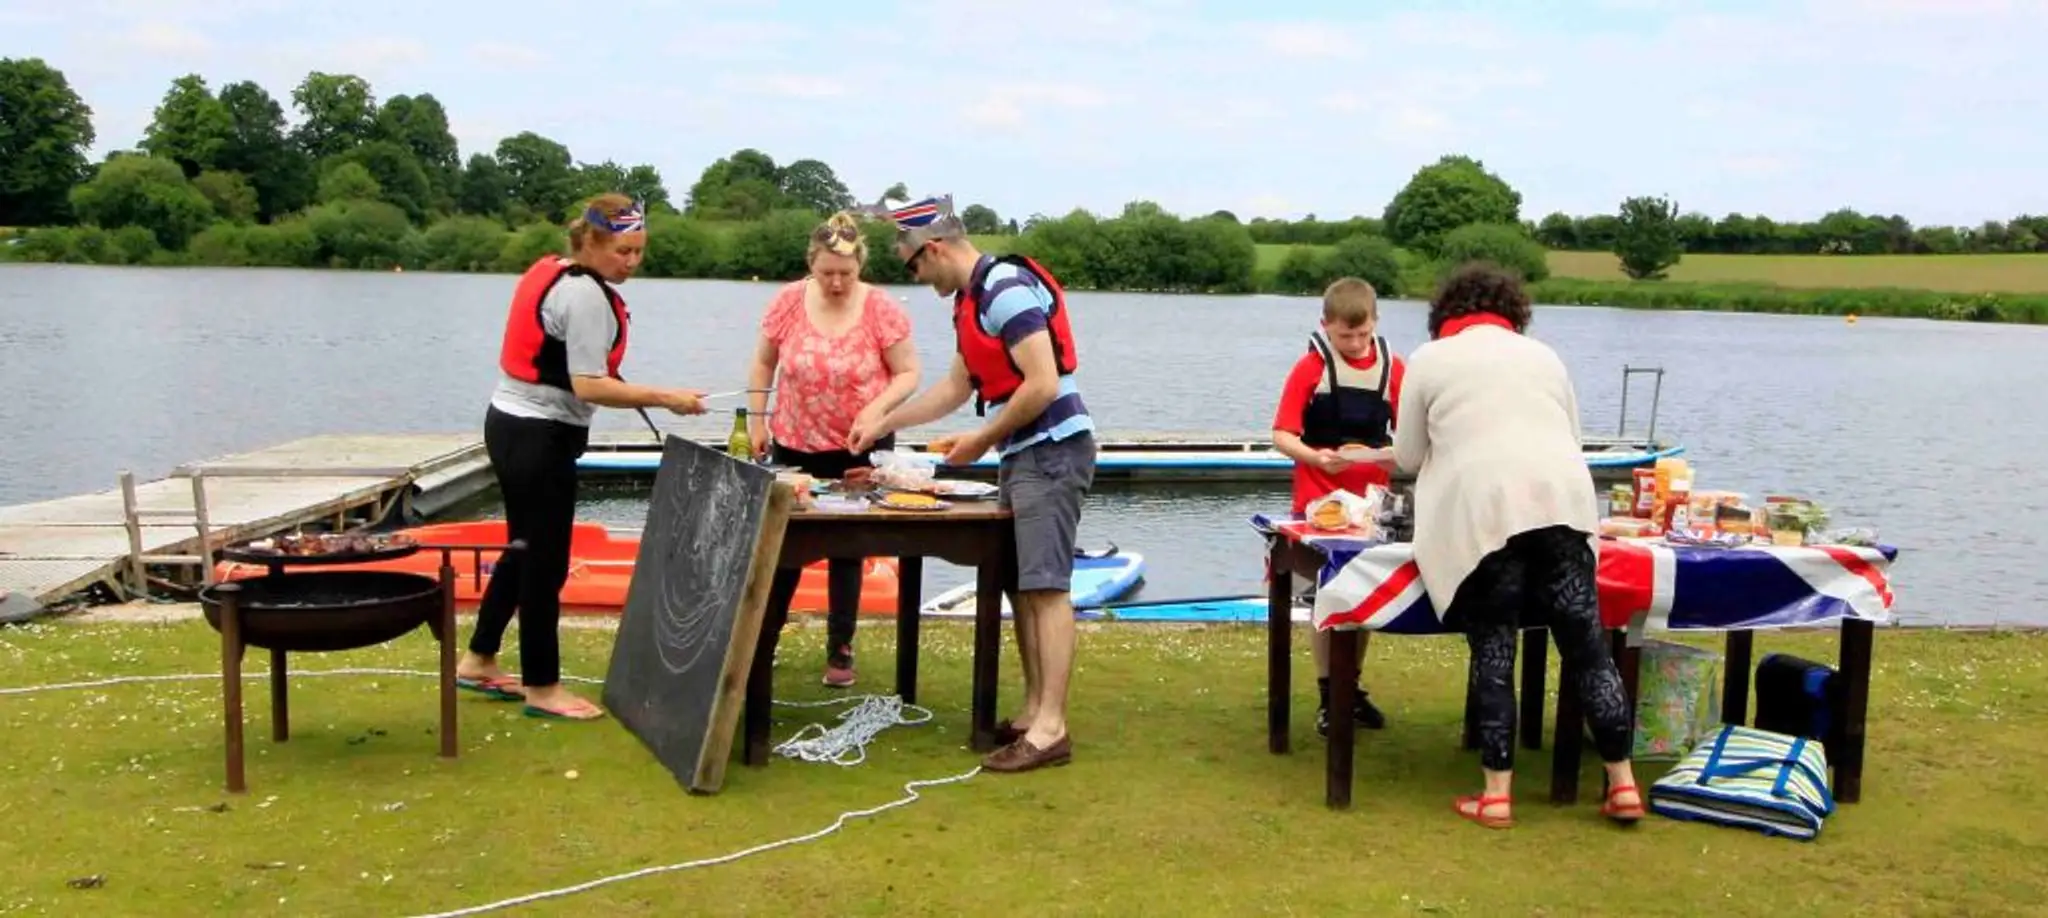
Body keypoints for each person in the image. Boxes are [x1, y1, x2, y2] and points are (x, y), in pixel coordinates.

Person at [1385, 261, 1643, 828]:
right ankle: (1623, 783)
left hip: (1487, 512)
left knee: (1495, 649)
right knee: (1588, 648)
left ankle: (1497, 795)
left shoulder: (1429, 359)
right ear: (1513, 313)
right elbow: (1571, 437)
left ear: (1444, 314)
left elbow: (1406, 456)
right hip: (1563, 503)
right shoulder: (1545, 356)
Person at [848, 194, 1094, 774]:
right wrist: (884, 421)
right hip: (1023, 452)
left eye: (913, 265)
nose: (916, 277)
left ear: (933, 248)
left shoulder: (1005, 289)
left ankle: (1051, 728)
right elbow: (955, 388)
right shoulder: (972, 299)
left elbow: (1042, 382)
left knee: (1046, 587)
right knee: (1021, 586)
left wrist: (982, 439)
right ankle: (1033, 712)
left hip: (1052, 451)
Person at [457, 193, 709, 721]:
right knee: (544, 563)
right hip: (536, 434)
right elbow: (589, 385)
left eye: (639, 251)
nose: (632, 262)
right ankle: (542, 686)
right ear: (590, 243)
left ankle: (478, 659)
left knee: (523, 549)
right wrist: (666, 397)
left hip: (508, 423)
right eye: (622, 251)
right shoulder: (585, 296)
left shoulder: (554, 270)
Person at [745, 210, 920, 687]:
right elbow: (762, 363)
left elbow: (908, 373)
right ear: (812, 266)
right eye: (827, 274)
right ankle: (762, 640)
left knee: (848, 547)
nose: (837, 283)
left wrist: (877, 410)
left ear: (860, 266)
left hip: (860, 442)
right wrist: (757, 419)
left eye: (846, 273)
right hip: (794, 439)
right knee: (782, 543)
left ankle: (841, 647)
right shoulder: (788, 301)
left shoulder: (881, 308)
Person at [1269, 276, 1401, 737]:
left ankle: (1351, 686)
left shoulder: (1394, 370)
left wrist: (1383, 455)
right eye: (1345, 336)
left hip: (1371, 506)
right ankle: (1330, 693)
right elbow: (1282, 433)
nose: (1355, 344)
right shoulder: (1311, 369)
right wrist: (1315, 457)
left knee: (1363, 597)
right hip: (1318, 504)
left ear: (1375, 323)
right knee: (1326, 596)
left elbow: (1411, 439)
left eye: (1363, 334)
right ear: (1326, 326)